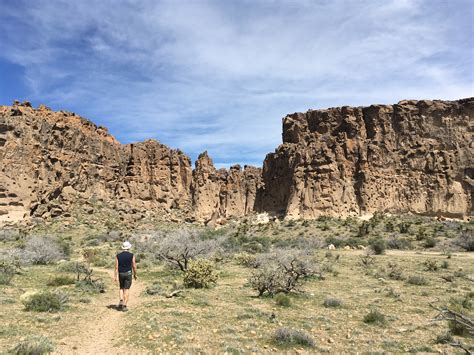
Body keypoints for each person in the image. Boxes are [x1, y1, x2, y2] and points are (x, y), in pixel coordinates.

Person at [114, 241, 137, 311]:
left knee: (121, 287)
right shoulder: (131, 255)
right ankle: (124, 305)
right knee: (127, 289)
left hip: (121, 273)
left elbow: (116, 267)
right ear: (129, 247)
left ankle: (121, 300)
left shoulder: (118, 256)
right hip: (128, 273)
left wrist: (115, 276)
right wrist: (135, 274)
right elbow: (134, 265)